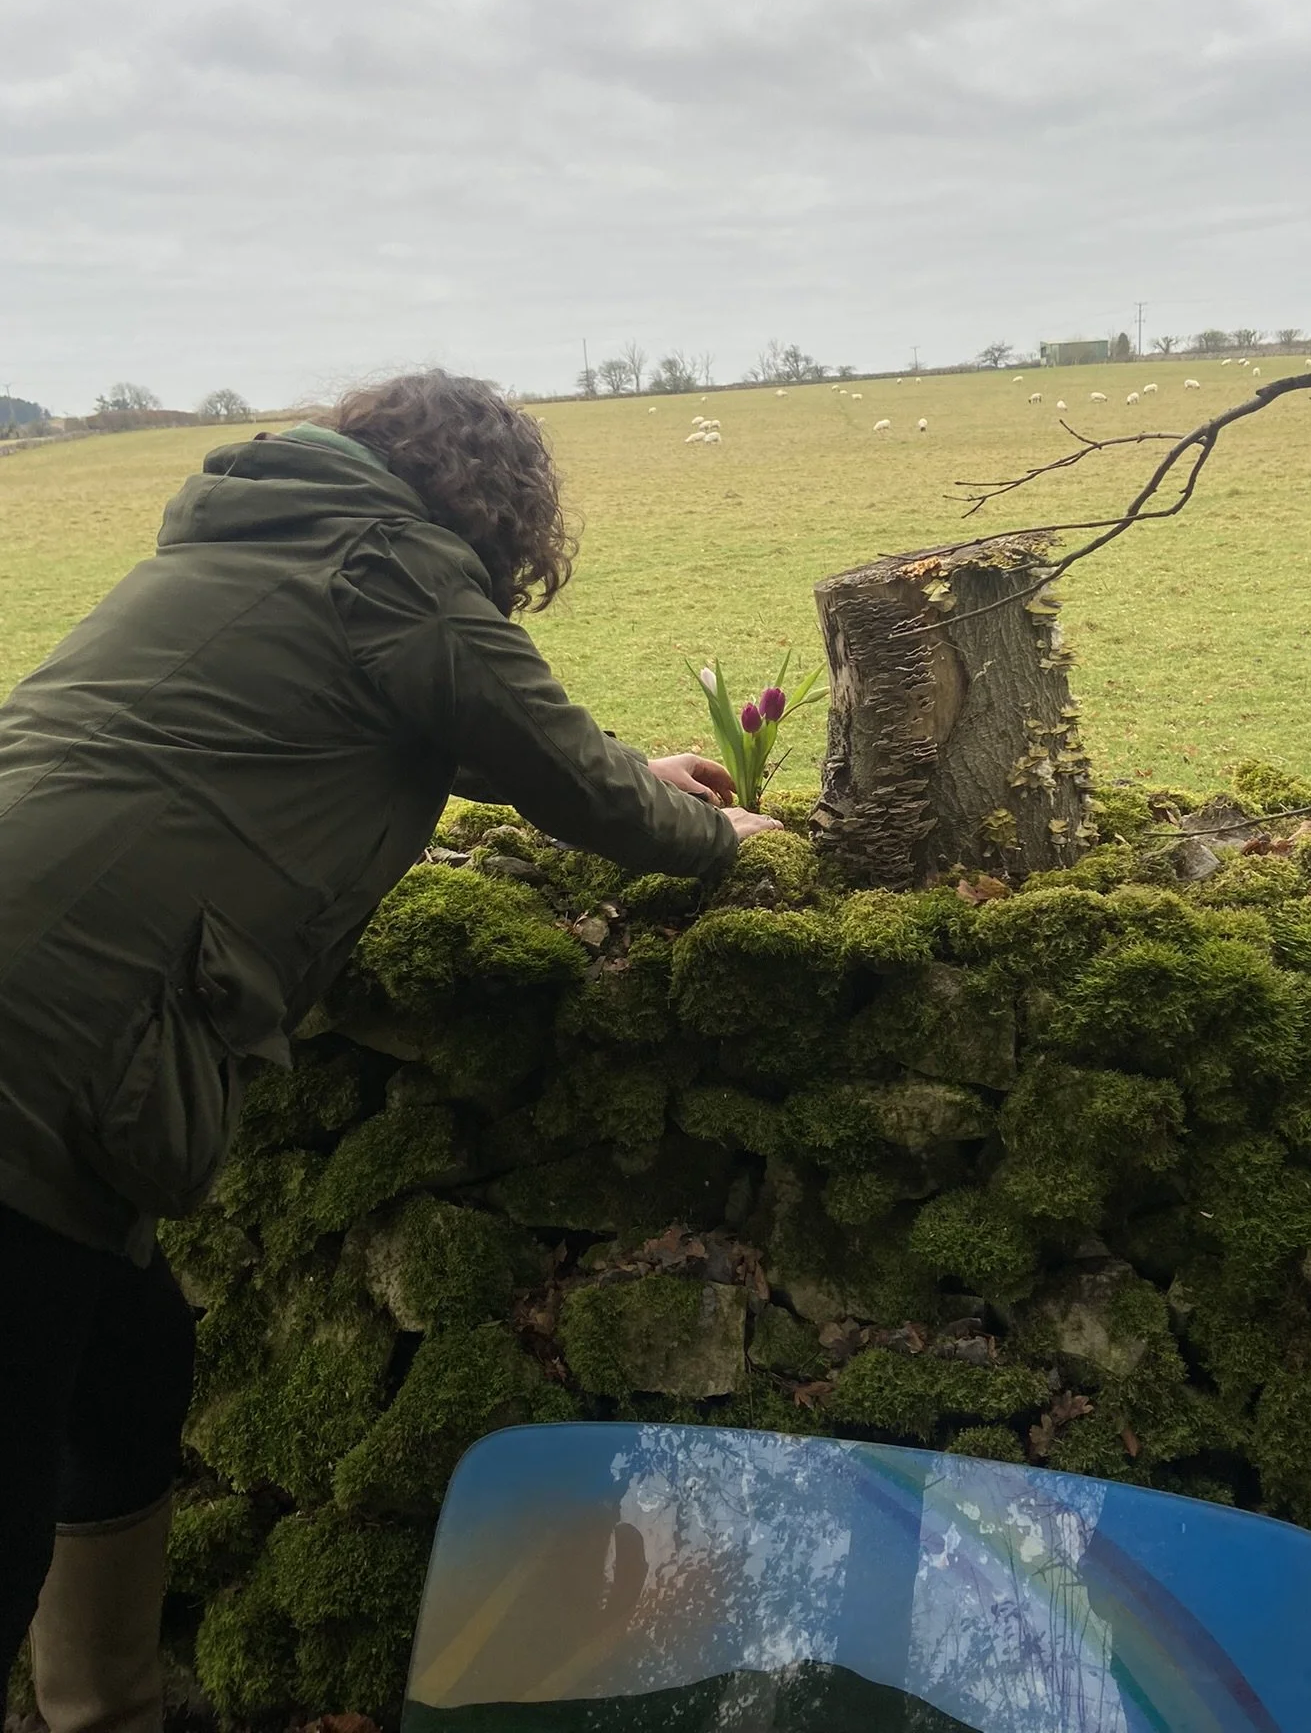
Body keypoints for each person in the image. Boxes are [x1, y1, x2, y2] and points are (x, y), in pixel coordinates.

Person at [0, 369, 780, 1726]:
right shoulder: (394, 564)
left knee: (126, 1367)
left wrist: (625, 764)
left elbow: (451, 721)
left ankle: (105, 1705)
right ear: (495, 506)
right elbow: (545, 765)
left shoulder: (262, 541)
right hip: (36, 1041)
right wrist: (721, 837)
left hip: (37, 992)